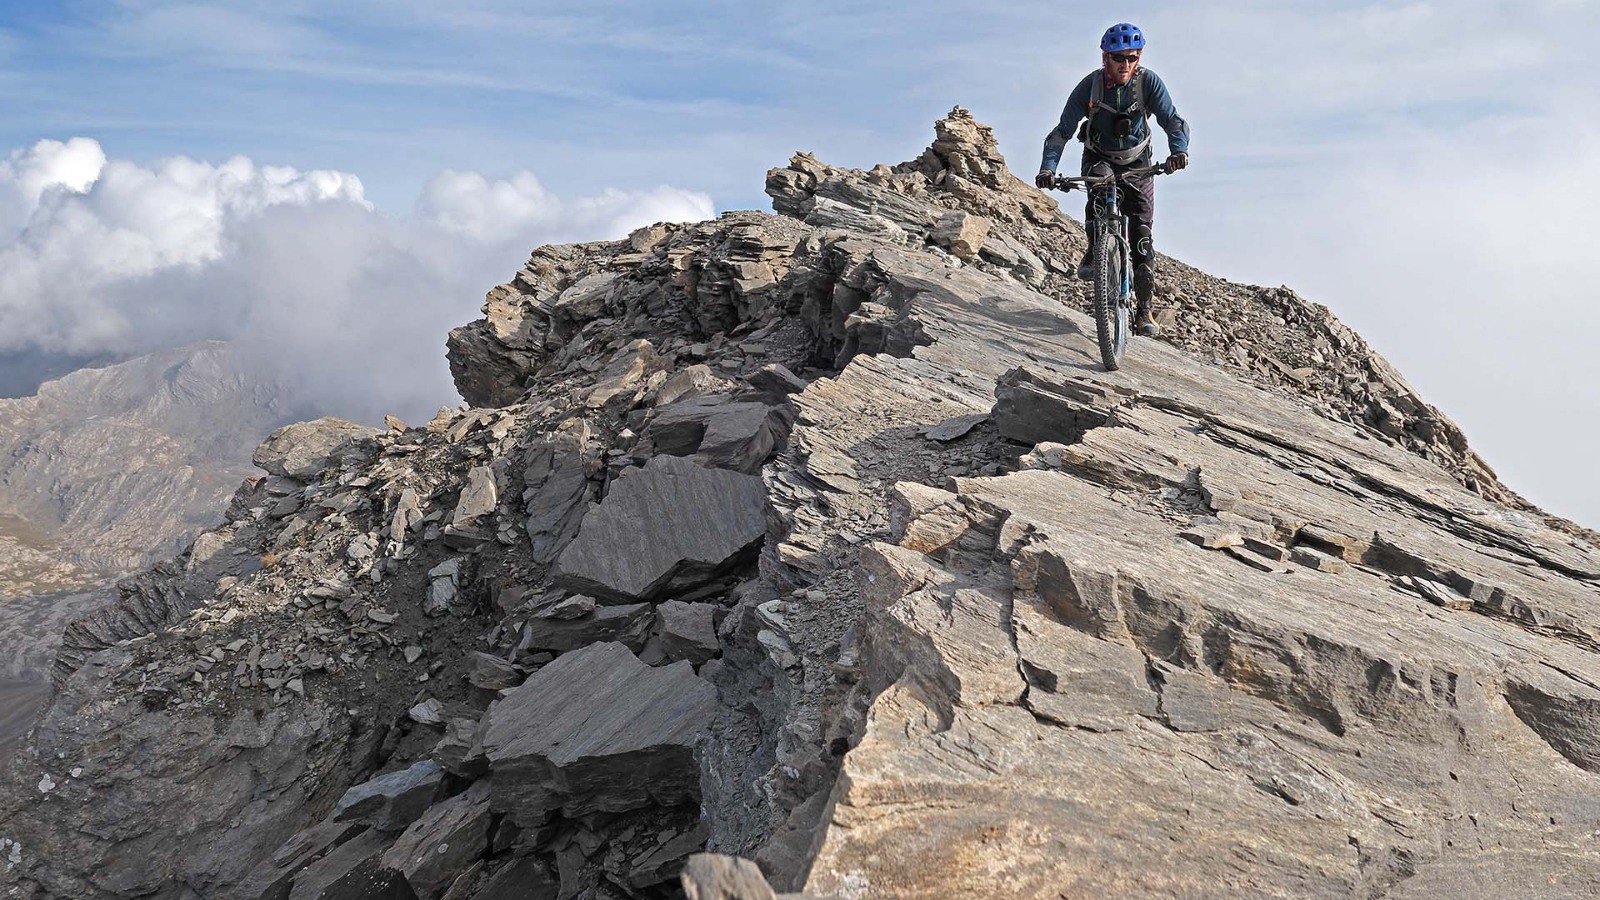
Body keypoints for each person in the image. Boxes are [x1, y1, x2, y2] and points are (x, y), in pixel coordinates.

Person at [1035, 22, 1190, 338]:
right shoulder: (1089, 88)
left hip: (1139, 162)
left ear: (1139, 56)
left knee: (1142, 240)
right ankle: (1095, 251)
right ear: (1105, 57)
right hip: (1099, 157)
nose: (1125, 64)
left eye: (1131, 58)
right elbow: (1061, 132)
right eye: (1118, 58)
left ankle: (1144, 313)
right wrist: (1047, 169)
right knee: (1100, 191)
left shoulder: (1149, 83)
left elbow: (1173, 121)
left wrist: (1179, 151)